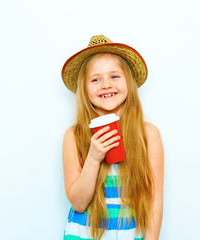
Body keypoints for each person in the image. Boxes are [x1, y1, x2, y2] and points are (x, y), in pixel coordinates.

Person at [61, 35, 164, 240]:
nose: (106, 84)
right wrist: (94, 157)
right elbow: (79, 203)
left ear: (129, 82)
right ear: (84, 89)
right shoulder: (73, 136)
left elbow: (155, 201)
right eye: (96, 79)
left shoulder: (148, 134)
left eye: (115, 76)